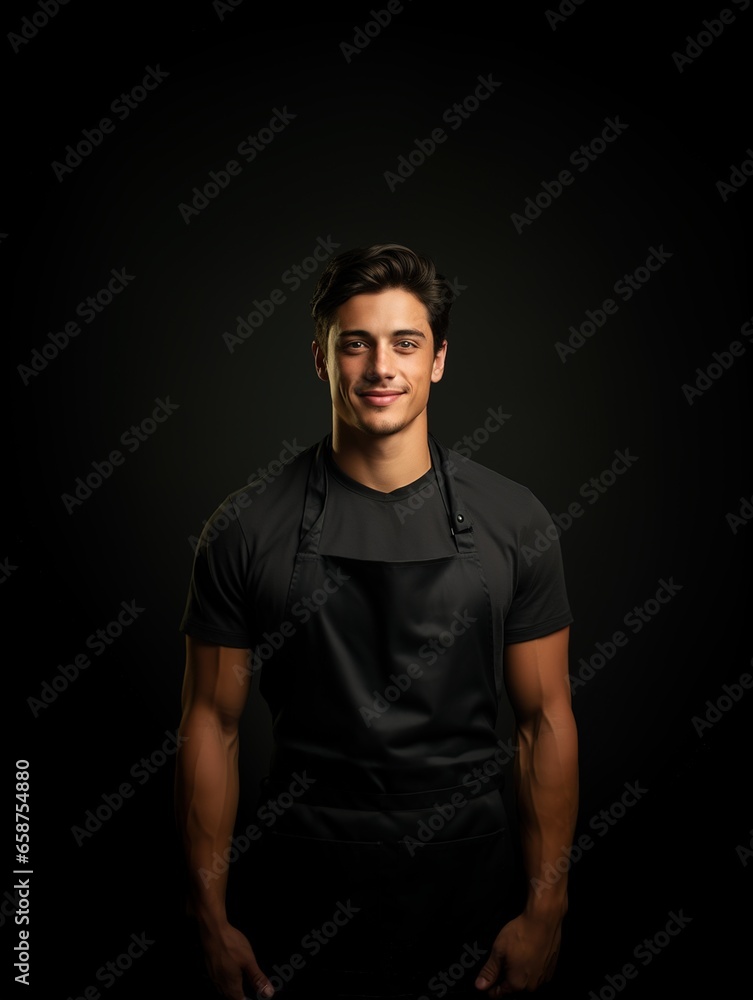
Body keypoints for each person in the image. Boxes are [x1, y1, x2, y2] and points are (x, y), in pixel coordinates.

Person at [174, 243, 578, 1000]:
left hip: (473, 891)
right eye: (354, 343)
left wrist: (546, 909)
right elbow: (210, 724)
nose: (380, 367)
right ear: (322, 360)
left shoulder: (514, 520)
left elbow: (543, 721)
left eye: (404, 342)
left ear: (438, 361)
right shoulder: (244, 528)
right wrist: (208, 916)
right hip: (299, 888)